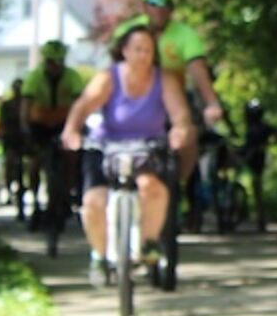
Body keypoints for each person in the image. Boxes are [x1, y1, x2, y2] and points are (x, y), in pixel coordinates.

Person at [63, 23, 191, 285]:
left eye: (148, 50)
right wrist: (72, 131)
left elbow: (180, 115)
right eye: (137, 49)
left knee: (152, 189)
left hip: (147, 147)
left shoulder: (164, 80)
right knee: (93, 201)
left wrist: (179, 131)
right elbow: (83, 106)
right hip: (106, 146)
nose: (143, 55)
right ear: (124, 51)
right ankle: (99, 256)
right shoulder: (108, 78)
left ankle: (149, 243)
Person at [115, 0, 225, 197]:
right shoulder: (129, 31)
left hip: (174, 101)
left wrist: (212, 103)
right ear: (144, 6)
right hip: (135, 99)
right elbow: (113, 70)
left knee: (190, 133)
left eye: (166, 3)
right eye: (154, 3)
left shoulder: (185, 34)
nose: (160, 9)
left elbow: (198, 71)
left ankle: (179, 181)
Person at [21, 40, 87, 229]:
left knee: (71, 157)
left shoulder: (73, 77)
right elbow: (25, 106)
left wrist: (79, 127)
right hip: (39, 124)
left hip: (65, 123)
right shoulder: (34, 77)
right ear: (45, 61)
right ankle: (34, 199)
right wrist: (25, 128)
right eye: (52, 62)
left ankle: (67, 193)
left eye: (59, 61)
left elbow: (80, 104)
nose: (56, 66)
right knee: (35, 161)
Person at [238, 99, 277, 232]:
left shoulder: (262, 127)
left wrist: (265, 145)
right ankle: (257, 219)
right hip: (249, 158)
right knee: (256, 189)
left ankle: (260, 220)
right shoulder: (255, 127)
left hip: (255, 160)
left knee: (257, 188)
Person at [0, 78, 27, 209]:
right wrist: (0, 135)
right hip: (10, 140)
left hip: (26, 140)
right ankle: (9, 190)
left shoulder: (28, 104)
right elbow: (1, 124)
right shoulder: (6, 105)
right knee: (9, 164)